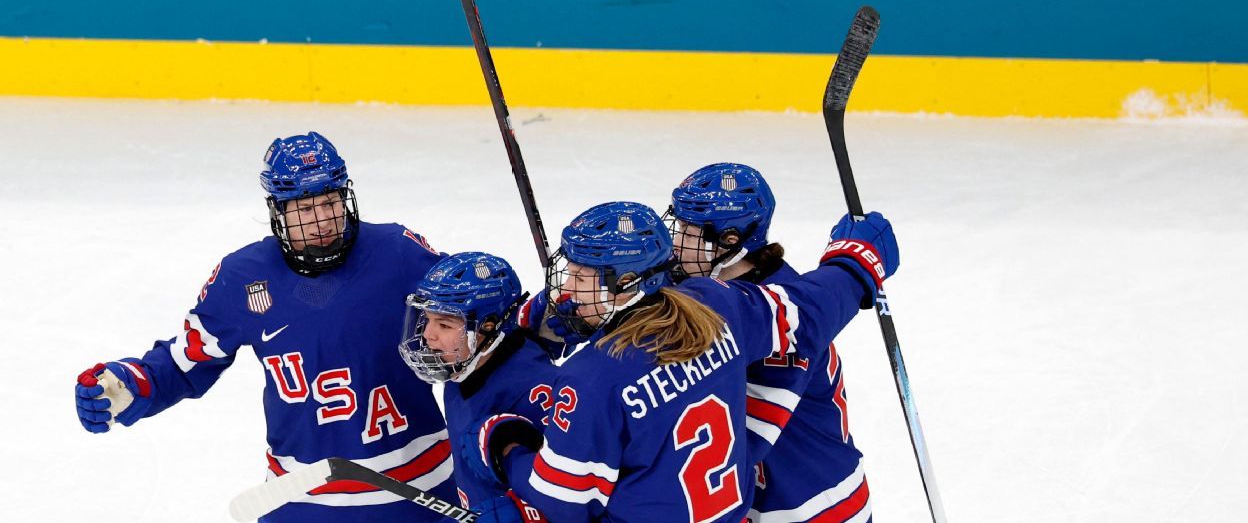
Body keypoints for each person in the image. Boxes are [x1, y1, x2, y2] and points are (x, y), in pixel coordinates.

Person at [73, 132, 455, 522]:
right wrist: (134, 383)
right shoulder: (242, 278)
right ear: (279, 211)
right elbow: (184, 362)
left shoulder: (399, 252)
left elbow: (477, 322)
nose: (321, 220)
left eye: (329, 202)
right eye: (304, 209)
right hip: (304, 498)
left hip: (422, 494)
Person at [458, 200, 898, 523]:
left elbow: (564, 498)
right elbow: (809, 308)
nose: (567, 287)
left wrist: (506, 447)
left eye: (581, 274)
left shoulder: (591, 376)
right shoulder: (715, 304)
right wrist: (854, 265)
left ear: (626, 283)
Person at [668, 163, 876, 522]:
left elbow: (747, 436)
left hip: (814, 506)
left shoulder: (776, 314)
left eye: (688, 231)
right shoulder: (742, 286)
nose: (675, 241)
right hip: (771, 498)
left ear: (729, 241)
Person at [397, 251, 555, 516]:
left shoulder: (535, 394)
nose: (428, 335)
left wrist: (525, 514)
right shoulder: (463, 365)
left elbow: (573, 494)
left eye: (444, 325)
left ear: (488, 327)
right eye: (427, 319)